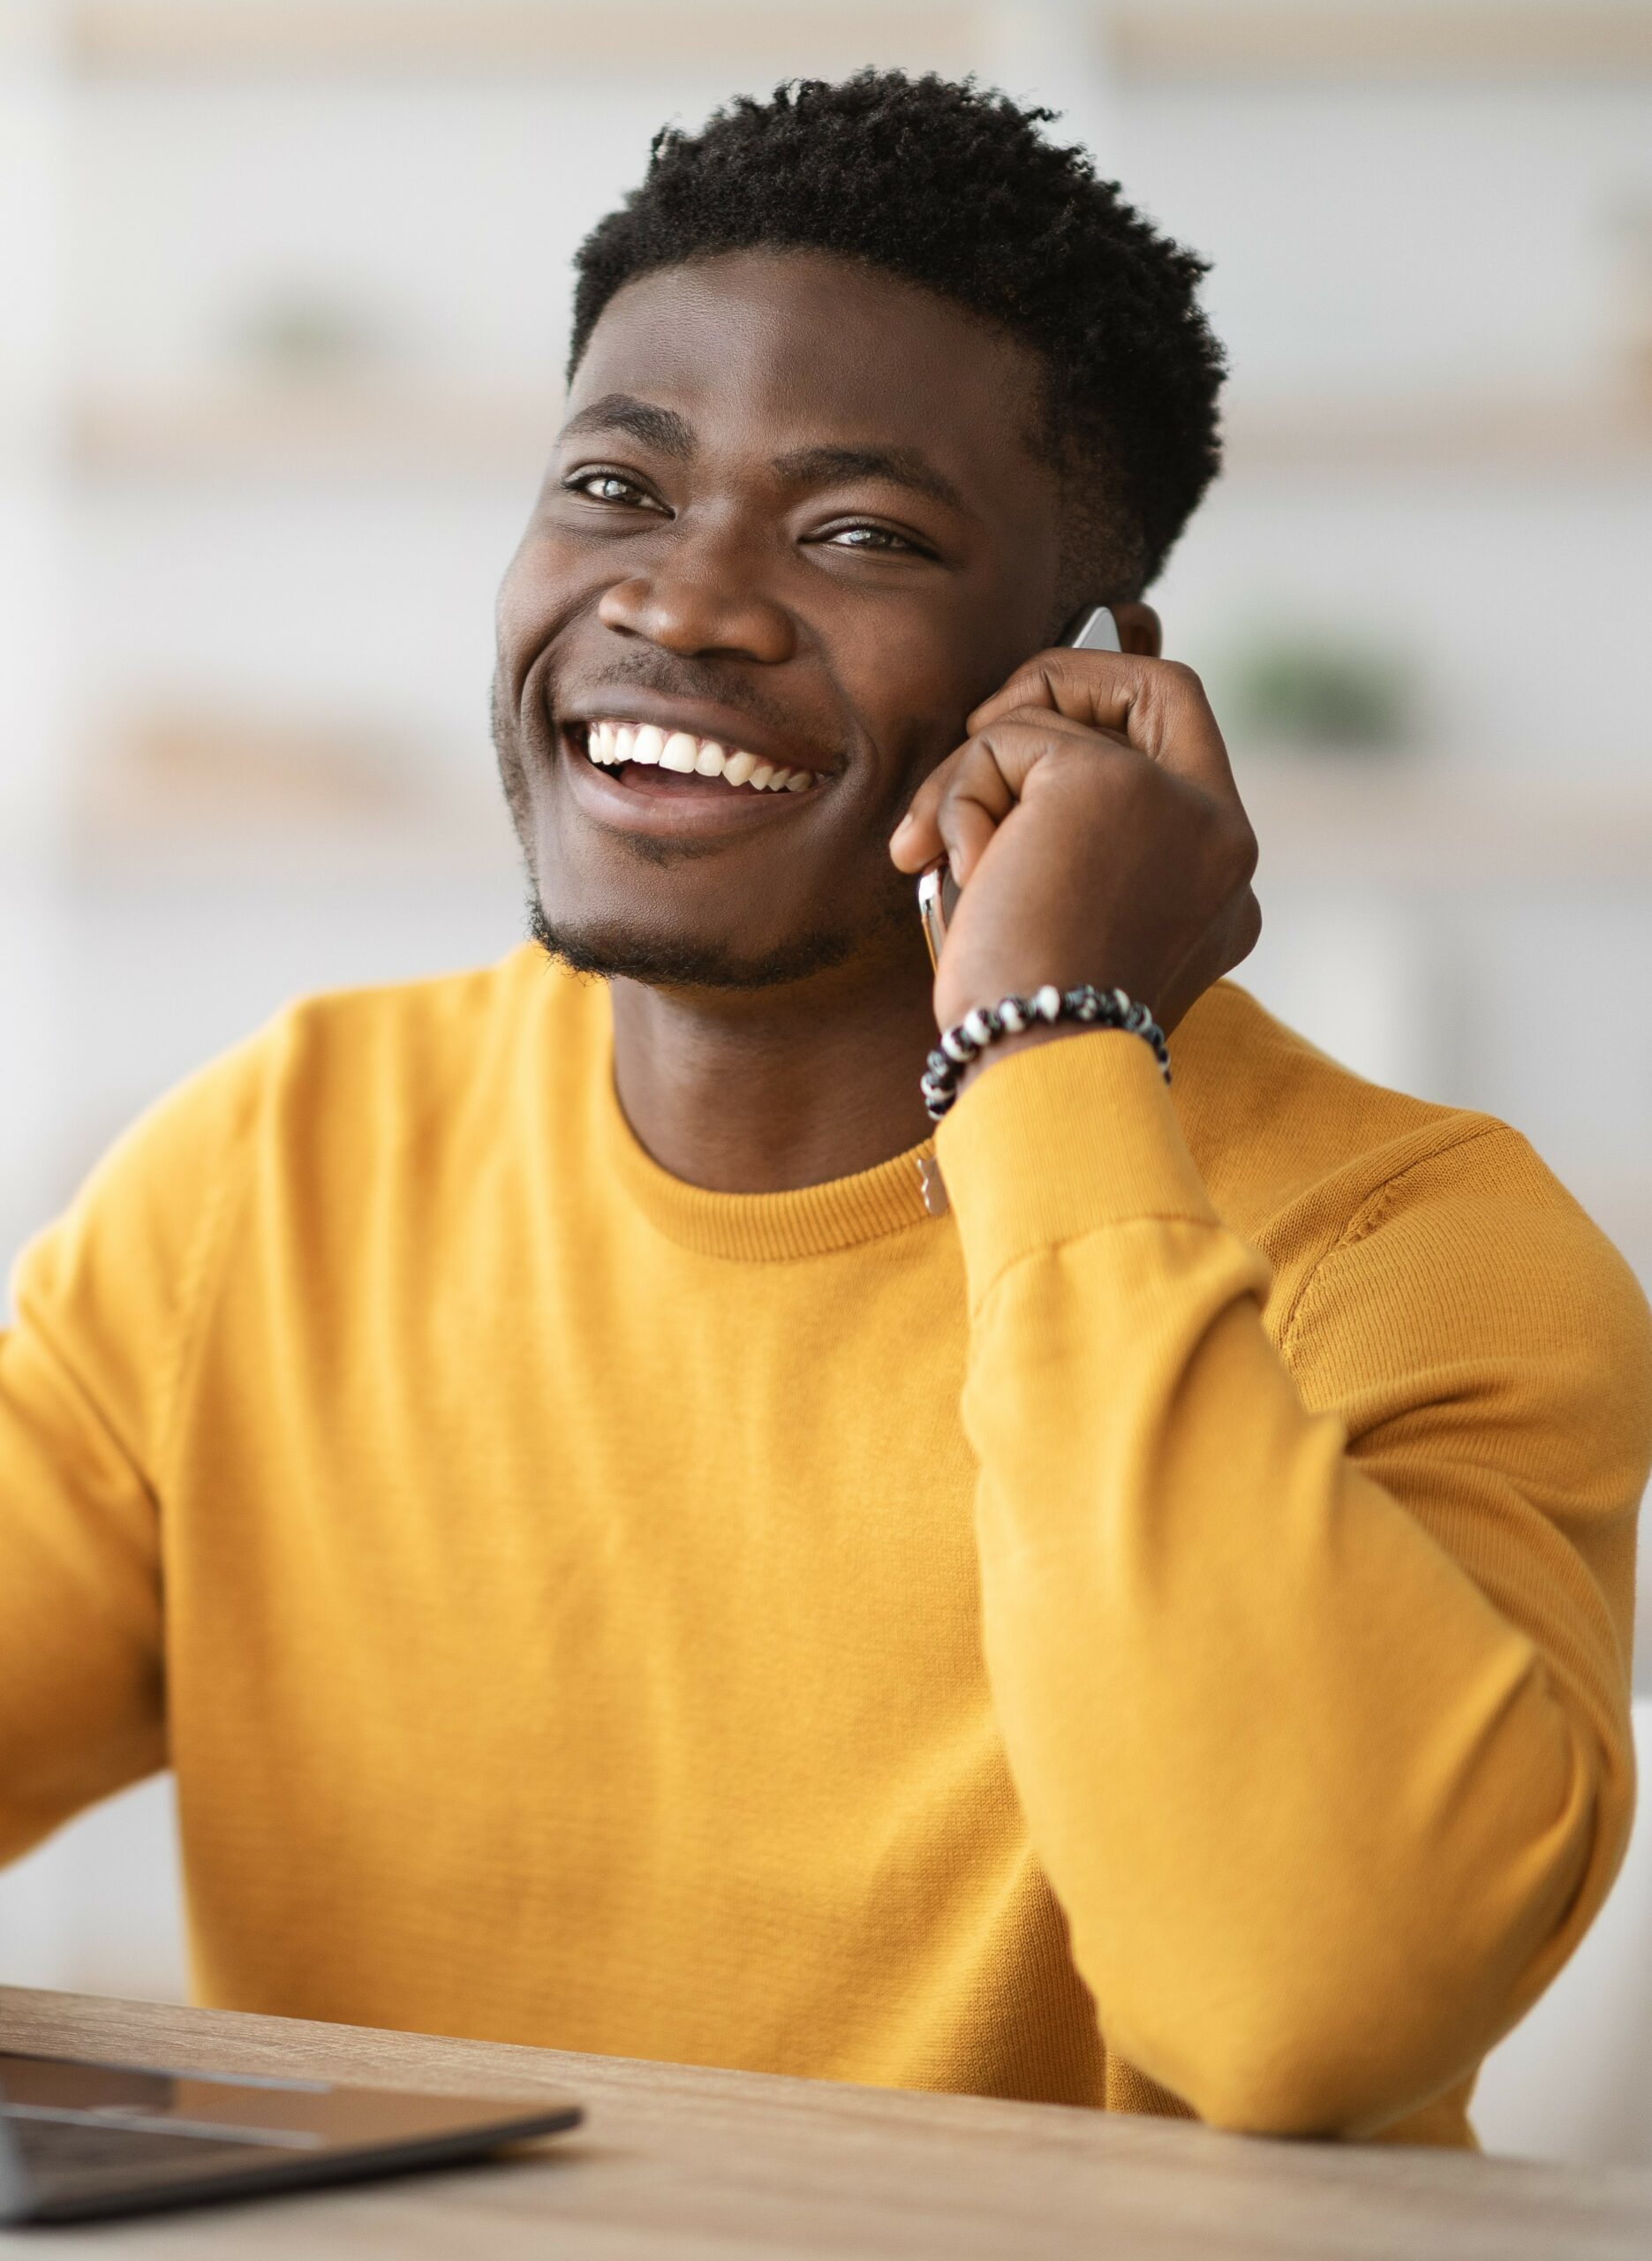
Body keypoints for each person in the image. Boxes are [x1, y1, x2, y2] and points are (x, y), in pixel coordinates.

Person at [2, 73, 1648, 2148]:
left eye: (862, 532)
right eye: (615, 484)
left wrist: (1052, 1049)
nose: (684, 603)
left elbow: (1306, 2008)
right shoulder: (281, 1161)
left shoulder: (1414, 1251)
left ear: (1088, 679)